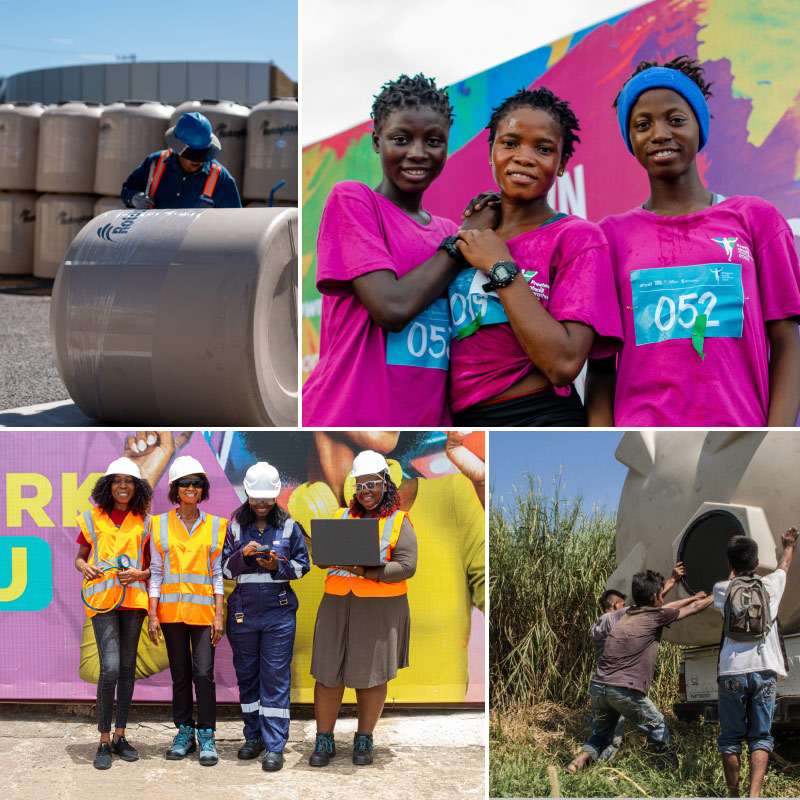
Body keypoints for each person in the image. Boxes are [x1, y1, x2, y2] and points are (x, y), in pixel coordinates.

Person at [586, 56, 800, 426]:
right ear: (630, 138)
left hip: (740, 440)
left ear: (699, 126)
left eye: (676, 119)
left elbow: (787, 342)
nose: (659, 134)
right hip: (646, 448)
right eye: (642, 124)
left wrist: (775, 441)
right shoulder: (610, 237)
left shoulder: (755, 219)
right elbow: (601, 368)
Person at [302, 73, 497, 426]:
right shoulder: (353, 201)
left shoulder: (449, 231)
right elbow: (391, 308)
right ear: (377, 141)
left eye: (434, 140)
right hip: (348, 418)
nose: (418, 153)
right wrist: (462, 242)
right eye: (401, 139)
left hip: (425, 431)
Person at [450, 87, 622, 426]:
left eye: (543, 149)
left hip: (539, 417)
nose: (524, 157)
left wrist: (501, 268)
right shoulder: (471, 236)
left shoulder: (577, 237)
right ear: (491, 151)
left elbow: (564, 363)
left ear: (561, 164)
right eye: (510, 143)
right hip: (463, 422)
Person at [286, 430, 484, 703]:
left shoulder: (456, 498)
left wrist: (486, 492)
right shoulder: (270, 539)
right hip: (315, 739)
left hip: (435, 740)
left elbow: (516, 611)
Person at [308, 450, 417, 767]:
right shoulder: (341, 517)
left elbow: (407, 566)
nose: (365, 491)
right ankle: (324, 740)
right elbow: (323, 559)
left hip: (379, 607)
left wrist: (368, 572)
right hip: (336, 603)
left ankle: (363, 739)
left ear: (386, 483)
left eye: (372, 484)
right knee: (328, 672)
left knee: (371, 674)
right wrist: (325, 557)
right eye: (360, 485)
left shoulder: (399, 521)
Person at [569, 568, 713, 773]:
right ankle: (667, 772)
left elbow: (666, 606)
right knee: (657, 726)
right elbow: (696, 607)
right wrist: (720, 590)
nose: (663, 599)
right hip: (623, 689)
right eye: (661, 595)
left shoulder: (622, 614)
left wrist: (673, 583)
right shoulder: (655, 617)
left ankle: (578, 761)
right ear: (655, 597)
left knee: (601, 735)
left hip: (598, 686)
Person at [222, 462, 310, 773]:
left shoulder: (289, 527)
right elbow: (225, 570)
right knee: (247, 676)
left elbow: (303, 567)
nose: (261, 505)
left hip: (279, 613)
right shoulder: (234, 527)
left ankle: (275, 746)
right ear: (246, 494)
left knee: (275, 678)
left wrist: (277, 567)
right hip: (243, 613)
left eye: (267, 499)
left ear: (275, 497)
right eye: (256, 498)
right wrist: (242, 556)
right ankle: (253, 737)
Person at [147, 455, 228, 766]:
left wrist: (219, 614)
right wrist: (153, 613)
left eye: (196, 483)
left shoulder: (217, 527)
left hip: (205, 615)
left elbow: (218, 574)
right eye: (185, 484)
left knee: (204, 675)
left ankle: (207, 735)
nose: (191, 488)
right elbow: (155, 570)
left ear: (203, 489)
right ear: (175, 489)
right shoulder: (158, 525)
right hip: (171, 615)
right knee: (180, 675)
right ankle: (184, 733)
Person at [74, 457, 153, 770]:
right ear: (108, 486)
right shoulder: (92, 518)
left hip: (133, 601)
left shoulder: (146, 521)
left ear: (137, 488)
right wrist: (84, 565)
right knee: (109, 668)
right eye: (117, 481)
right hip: (103, 603)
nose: (123, 486)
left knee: (127, 666)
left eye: (129, 481)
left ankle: (121, 735)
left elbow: (152, 569)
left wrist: (139, 574)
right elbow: (80, 557)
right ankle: (103, 739)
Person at [713, 528, 798, 798]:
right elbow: (784, 566)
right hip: (764, 670)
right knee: (761, 736)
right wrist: (788, 545)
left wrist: (733, 571)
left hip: (731, 671)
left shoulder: (722, 589)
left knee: (730, 739)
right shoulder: (771, 585)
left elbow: (731, 583)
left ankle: (733, 795)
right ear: (756, 562)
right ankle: (754, 796)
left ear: (730, 564)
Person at [589, 564, 685, 762]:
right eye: (623, 605)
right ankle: (667, 765)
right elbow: (647, 607)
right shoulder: (615, 617)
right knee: (649, 726)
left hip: (601, 683)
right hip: (621, 683)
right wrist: (672, 581)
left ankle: (586, 762)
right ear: (617, 606)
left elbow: (645, 606)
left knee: (602, 734)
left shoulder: (598, 625)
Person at [121, 111, 242, 209]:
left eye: (202, 154)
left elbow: (234, 223)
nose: (198, 160)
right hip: (154, 238)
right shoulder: (154, 163)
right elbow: (128, 187)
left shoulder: (222, 180)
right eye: (192, 154)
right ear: (178, 147)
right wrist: (133, 197)